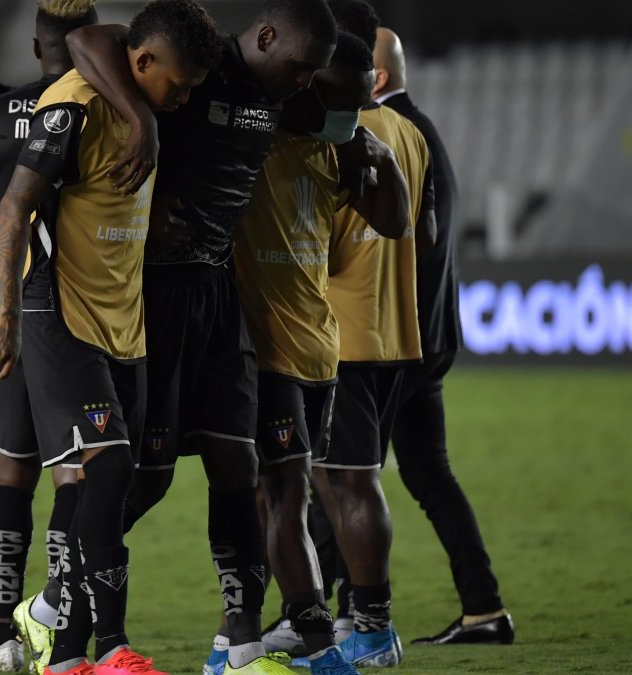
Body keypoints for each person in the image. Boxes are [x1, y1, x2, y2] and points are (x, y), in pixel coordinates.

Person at [62, 1, 337, 672]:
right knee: (143, 481)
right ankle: (56, 603)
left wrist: (364, 144)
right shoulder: (200, 67)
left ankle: (239, 637)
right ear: (266, 36)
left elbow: (339, 107)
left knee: (236, 467)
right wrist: (141, 123)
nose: (303, 81)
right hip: (155, 296)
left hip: (220, 294)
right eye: (300, 66)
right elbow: (87, 36)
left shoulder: (283, 95)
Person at [0, 2, 221, 672]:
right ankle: (112, 646)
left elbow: (113, 39)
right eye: (174, 85)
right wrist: (5, 314)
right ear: (141, 62)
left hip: (123, 321)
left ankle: (62, 653)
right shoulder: (75, 106)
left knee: (105, 483)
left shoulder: (134, 102)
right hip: (57, 310)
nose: (180, 99)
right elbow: (12, 206)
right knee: (106, 466)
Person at [236, 30, 411, 675]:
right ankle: (287, 642)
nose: (353, 117)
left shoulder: (336, 150)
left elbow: (388, 224)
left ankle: (263, 640)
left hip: (321, 348)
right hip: (260, 347)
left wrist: (379, 159)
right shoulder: (250, 135)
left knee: (289, 497)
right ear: (306, 81)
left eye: (362, 104)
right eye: (344, 102)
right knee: (273, 496)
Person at [0, 0, 98, 670]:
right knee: (77, 468)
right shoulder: (101, 106)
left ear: (37, 41)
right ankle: (60, 613)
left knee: (10, 470)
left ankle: (3, 631)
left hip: (14, 315)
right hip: (81, 318)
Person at [299, 22, 438, 668]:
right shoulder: (410, 133)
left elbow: (318, 247)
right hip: (396, 333)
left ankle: (372, 628)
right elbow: (421, 231)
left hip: (343, 333)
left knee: (345, 485)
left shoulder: (339, 136)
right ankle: (350, 616)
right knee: (352, 483)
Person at [374, 27, 513, 646]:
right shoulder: (422, 129)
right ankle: (485, 609)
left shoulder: (387, 136)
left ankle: (311, 618)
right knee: (428, 476)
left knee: (340, 479)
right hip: (427, 339)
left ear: (372, 78)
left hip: (394, 344)